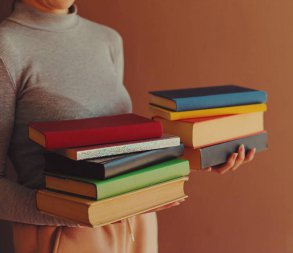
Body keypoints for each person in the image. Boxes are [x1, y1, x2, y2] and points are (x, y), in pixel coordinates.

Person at [0, 0, 256, 252]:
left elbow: (117, 149)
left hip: (139, 228)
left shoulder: (108, 40)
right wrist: (77, 210)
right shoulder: (7, 47)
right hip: (63, 238)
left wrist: (200, 154)